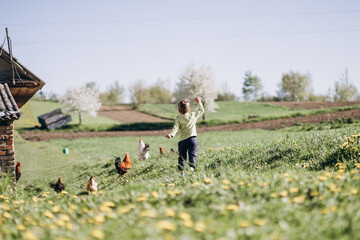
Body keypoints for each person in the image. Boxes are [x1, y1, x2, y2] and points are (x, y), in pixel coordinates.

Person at [165, 97, 205, 176]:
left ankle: (181, 172)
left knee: (182, 157)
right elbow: (201, 110)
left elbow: (175, 128)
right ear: (189, 109)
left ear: (179, 110)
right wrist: (199, 102)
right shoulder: (193, 115)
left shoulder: (178, 118)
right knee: (192, 154)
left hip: (182, 142)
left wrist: (171, 134)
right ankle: (192, 169)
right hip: (192, 140)